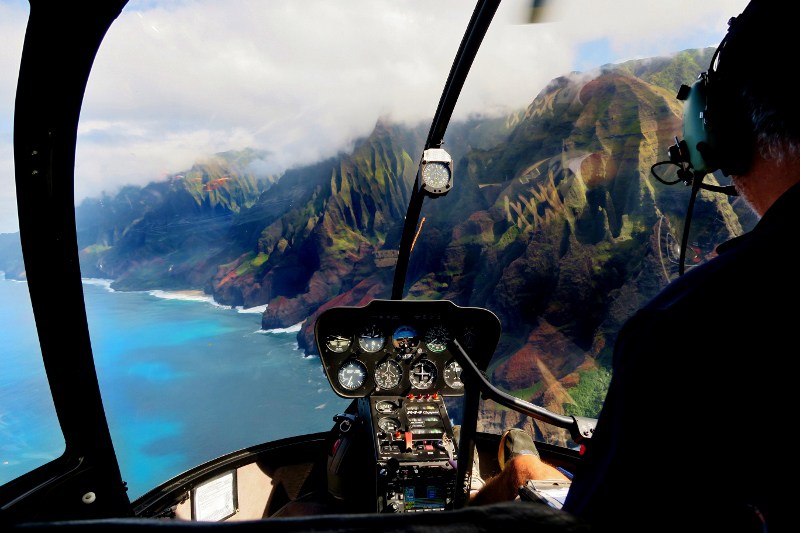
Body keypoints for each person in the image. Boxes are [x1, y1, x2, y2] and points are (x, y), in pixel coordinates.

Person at [469, 1, 794, 530]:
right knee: (527, 462)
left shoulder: (692, 327)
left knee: (525, 473)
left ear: (725, 132)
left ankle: (521, 461)